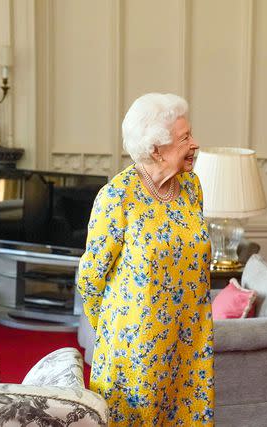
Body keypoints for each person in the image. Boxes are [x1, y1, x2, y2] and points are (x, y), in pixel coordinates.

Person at [77, 93, 214, 426]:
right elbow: (90, 277)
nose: (195, 144)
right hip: (135, 349)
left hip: (189, 345)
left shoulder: (191, 187)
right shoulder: (116, 196)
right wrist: (117, 331)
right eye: (185, 138)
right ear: (156, 149)